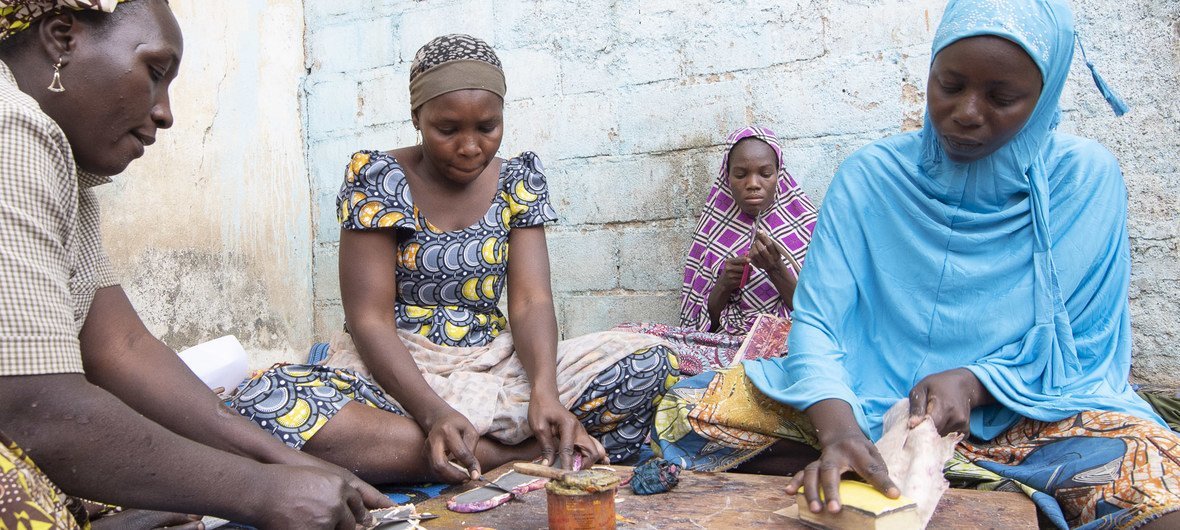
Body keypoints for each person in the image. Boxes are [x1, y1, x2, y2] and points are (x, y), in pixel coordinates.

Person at [652, 1, 1180, 528]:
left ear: (1043, 99)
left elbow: (1082, 347)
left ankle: (944, 471)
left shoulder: (1084, 182)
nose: (968, 113)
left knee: (1157, 483)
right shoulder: (870, 177)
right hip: (863, 400)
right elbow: (817, 323)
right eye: (950, 86)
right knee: (682, 411)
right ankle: (886, 464)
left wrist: (975, 384)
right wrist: (839, 430)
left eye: (1002, 97)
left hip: (1025, 415)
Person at [0, 1, 390, 528]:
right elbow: (32, 408)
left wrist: (293, 464)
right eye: (155, 73)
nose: (165, 112)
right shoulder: (13, 127)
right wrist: (258, 490)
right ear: (62, 37)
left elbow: (124, 348)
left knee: (159, 485)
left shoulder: (67, 174)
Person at [232, 34, 678, 484]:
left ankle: (440, 449)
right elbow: (369, 320)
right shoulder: (378, 178)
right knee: (266, 399)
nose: (469, 147)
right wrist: (433, 413)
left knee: (649, 362)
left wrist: (545, 391)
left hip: (495, 364)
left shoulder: (518, 180)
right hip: (401, 370)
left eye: (487, 128)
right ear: (416, 118)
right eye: (447, 130)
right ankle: (509, 452)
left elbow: (530, 302)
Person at [616, 125, 817, 375]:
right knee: (627, 338)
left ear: (779, 174)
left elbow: (817, 314)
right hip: (725, 345)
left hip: (784, 347)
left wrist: (776, 270)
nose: (753, 184)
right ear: (727, 177)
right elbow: (700, 323)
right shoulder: (713, 230)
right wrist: (724, 285)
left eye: (765, 173)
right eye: (741, 174)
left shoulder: (807, 228)